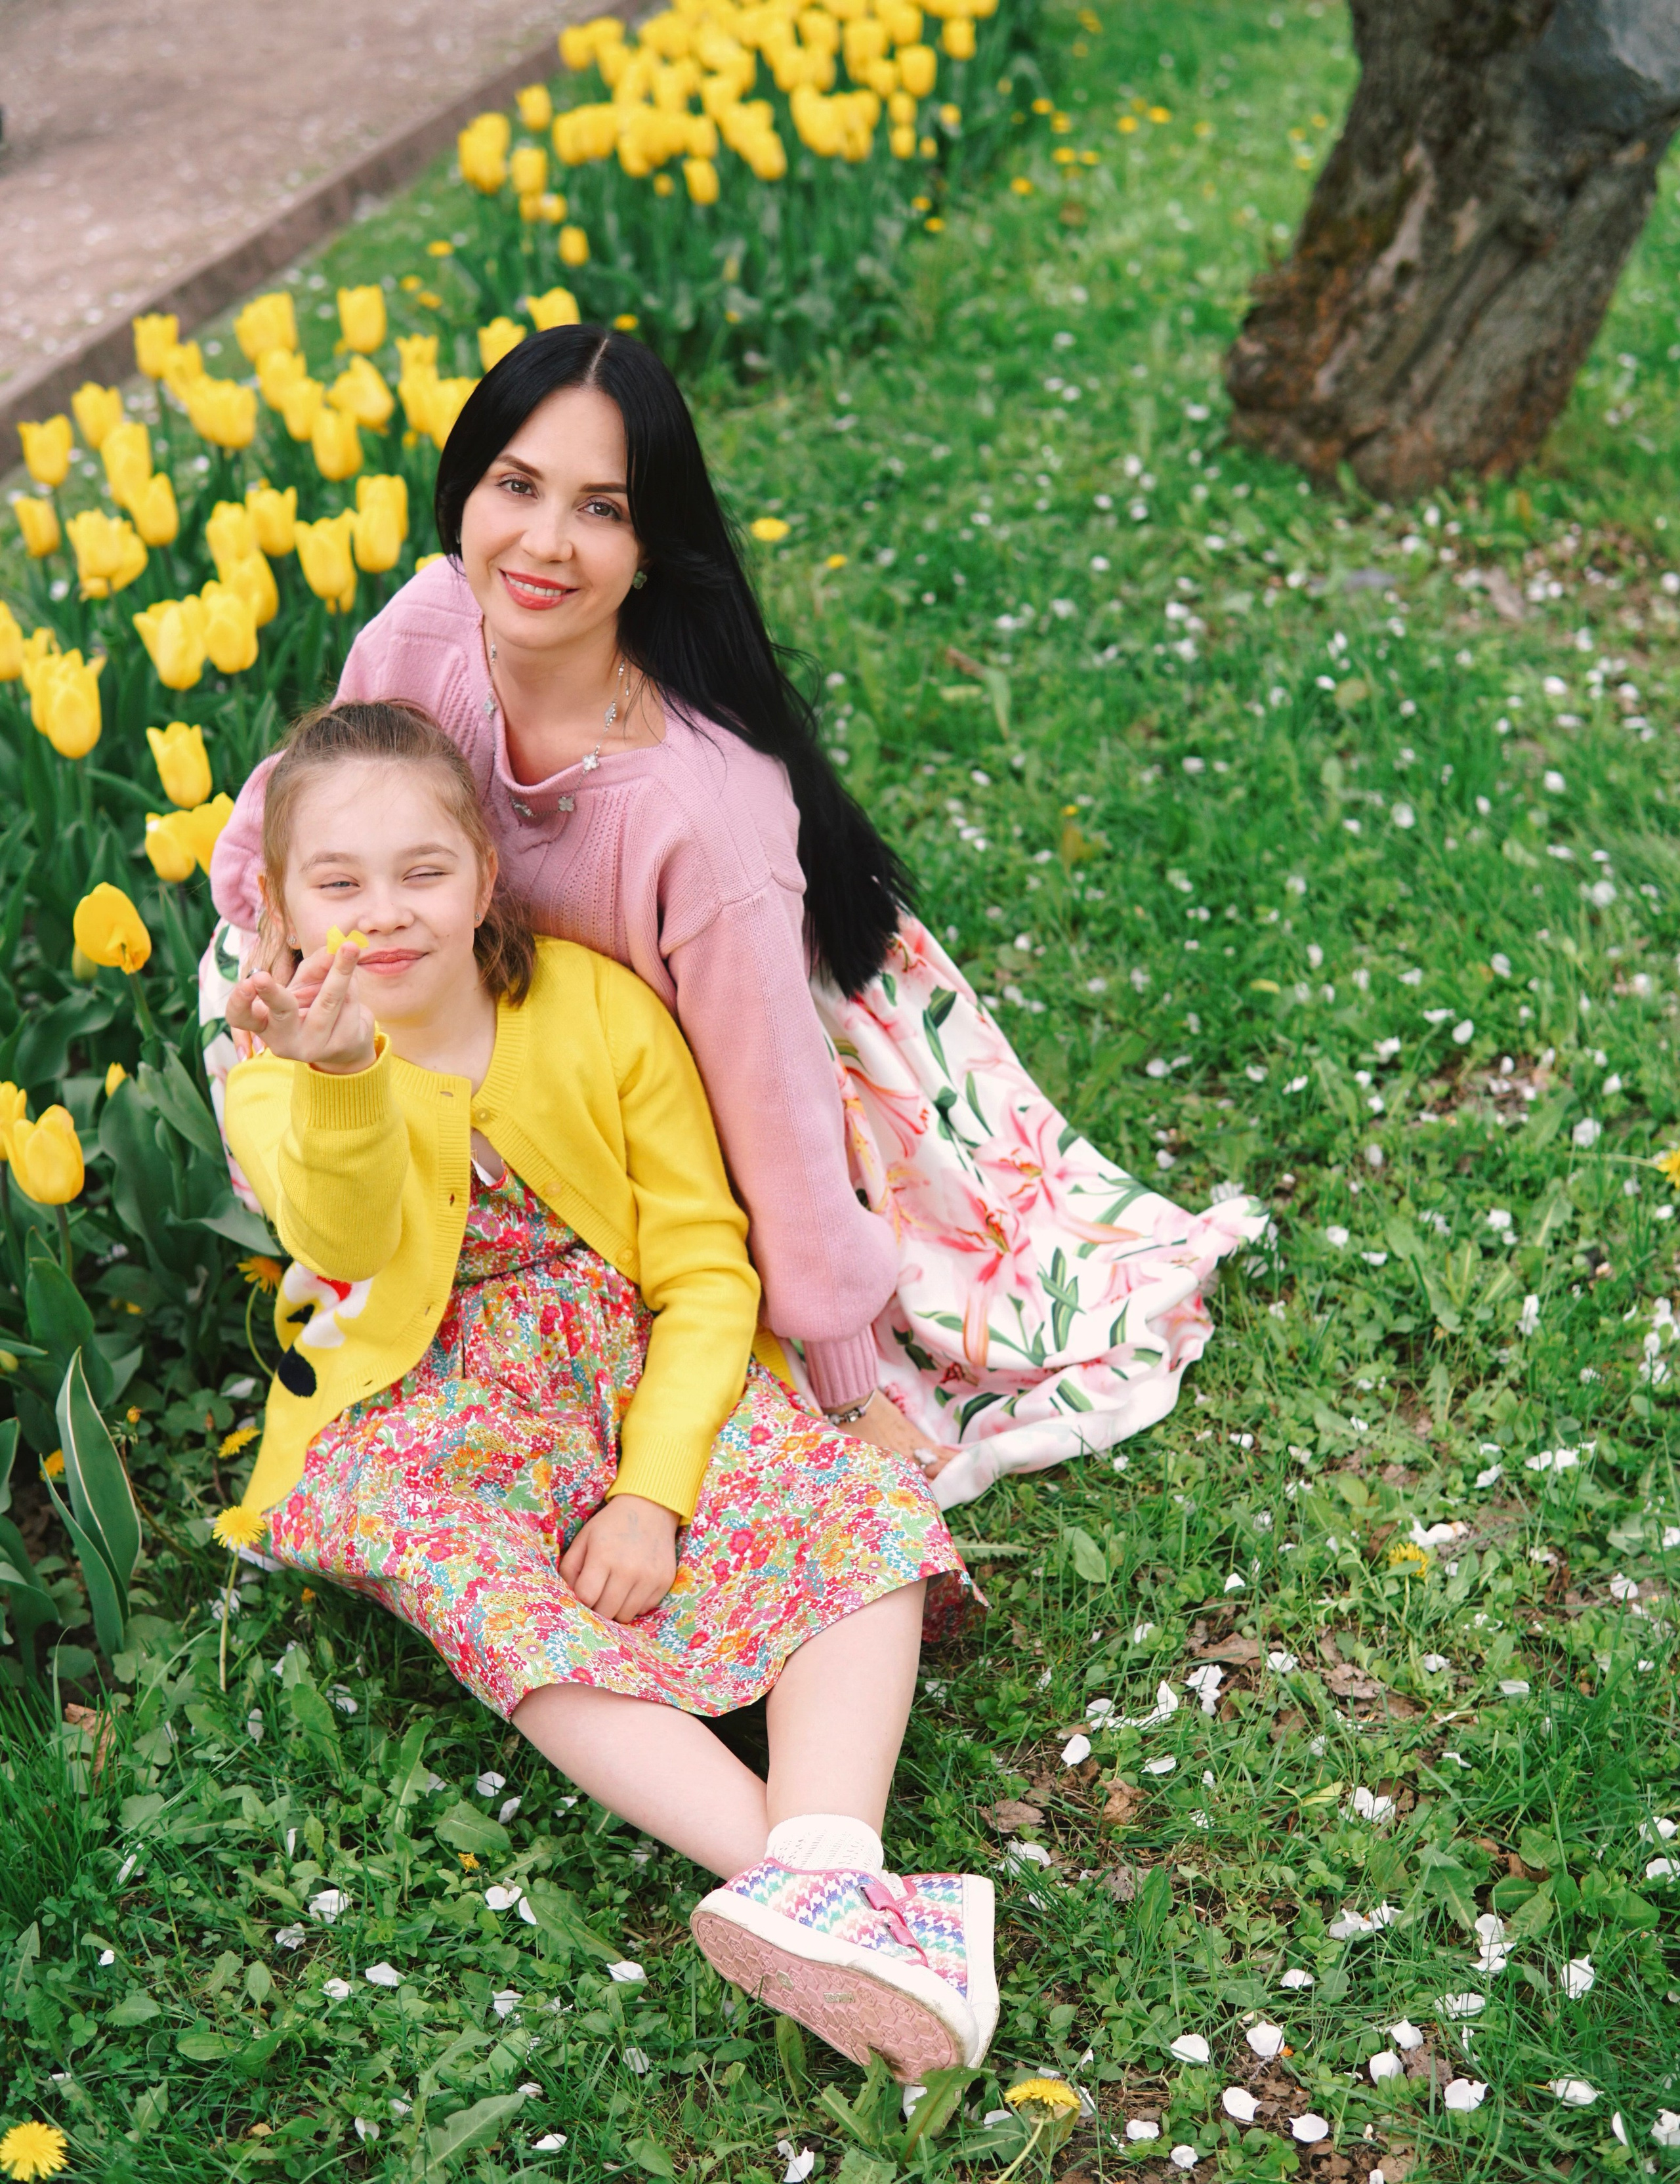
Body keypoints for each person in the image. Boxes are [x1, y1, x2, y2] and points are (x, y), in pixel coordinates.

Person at [206, 325, 1262, 1509]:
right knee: (256, 968)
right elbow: (309, 801)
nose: (544, 543)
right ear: (463, 493)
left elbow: (774, 1101)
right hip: (477, 1007)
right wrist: (271, 941)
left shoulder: (698, 811)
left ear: (651, 544)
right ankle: (414, 1266)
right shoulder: (424, 628)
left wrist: (846, 1369)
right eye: (516, 487)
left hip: (696, 1071)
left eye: (601, 509)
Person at [221, 698, 995, 2082]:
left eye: (422, 870)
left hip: (640, 1353)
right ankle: (826, 1894)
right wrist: (341, 1078)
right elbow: (337, 1241)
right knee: (490, 1594)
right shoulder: (279, 1074)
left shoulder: (592, 1008)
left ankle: (819, 1862)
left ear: (482, 875)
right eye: (336, 883)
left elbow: (703, 1263)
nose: (383, 913)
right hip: (427, 1402)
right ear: (279, 902)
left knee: (849, 1507)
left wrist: (652, 1489)